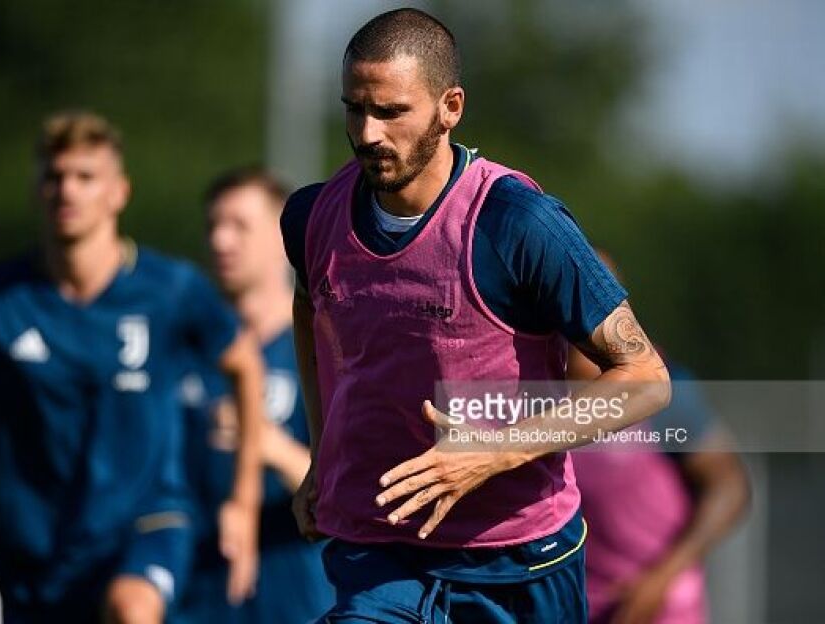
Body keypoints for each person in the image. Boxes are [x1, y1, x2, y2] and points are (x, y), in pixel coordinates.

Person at [280, 9, 671, 623]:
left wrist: (494, 452)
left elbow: (645, 380)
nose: (368, 132)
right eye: (355, 109)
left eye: (391, 112)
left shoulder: (519, 224)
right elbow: (311, 310)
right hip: (380, 549)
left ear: (450, 107)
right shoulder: (312, 218)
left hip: (519, 557)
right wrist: (322, 454)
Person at [0, 111, 263, 623]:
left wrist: (242, 501)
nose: (67, 189)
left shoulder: (170, 289)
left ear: (118, 193)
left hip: (146, 522)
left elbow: (244, 364)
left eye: (85, 176)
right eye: (54, 175)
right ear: (36, 190)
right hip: (34, 551)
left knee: (132, 609)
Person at [174, 169, 334, 623]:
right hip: (194, 598)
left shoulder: (324, 350)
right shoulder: (183, 349)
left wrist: (265, 442)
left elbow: (352, 489)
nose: (221, 240)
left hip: (298, 600)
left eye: (239, 226)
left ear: (282, 237)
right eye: (213, 225)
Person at [568, 251, 750, 624]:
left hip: (659, 609)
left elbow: (729, 487)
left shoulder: (663, 391)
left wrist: (662, 577)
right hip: (575, 607)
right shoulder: (531, 397)